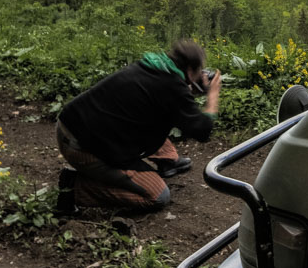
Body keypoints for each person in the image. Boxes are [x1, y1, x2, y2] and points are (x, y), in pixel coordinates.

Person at [55, 39, 221, 214]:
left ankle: (167, 161)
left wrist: (187, 89)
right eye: (198, 71)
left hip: (70, 125)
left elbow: (166, 100)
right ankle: (75, 188)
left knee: (153, 116)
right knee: (159, 196)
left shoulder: (152, 66)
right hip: (82, 148)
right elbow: (203, 130)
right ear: (189, 70)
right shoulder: (172, 87)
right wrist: (213, 95)